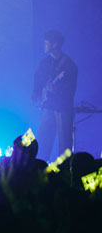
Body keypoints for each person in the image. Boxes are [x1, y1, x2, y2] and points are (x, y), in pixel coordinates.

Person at [32, 29, 77, 158]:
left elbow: (70, 90)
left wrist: (57, 91)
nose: (44, 45)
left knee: (64, 143)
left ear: (55, 44)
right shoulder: (45, 63)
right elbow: (38, 79)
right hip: (48, 105)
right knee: (43, 140)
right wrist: (36, 93)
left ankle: (65, 167)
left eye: (46, 43)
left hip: (63, 108)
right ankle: (40, 164)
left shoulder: (69, 65)